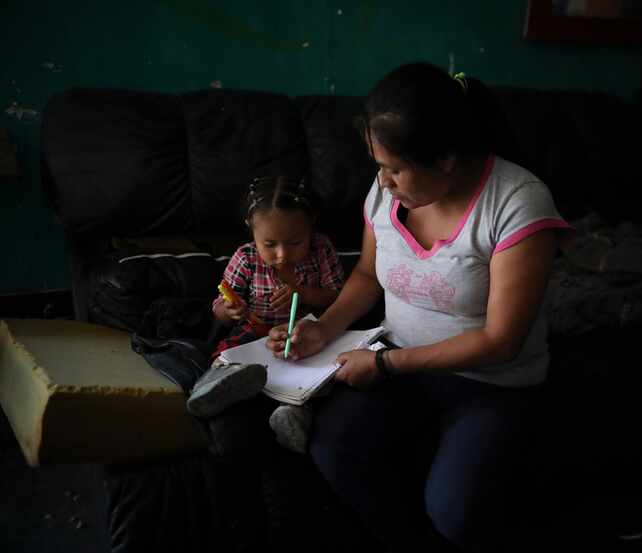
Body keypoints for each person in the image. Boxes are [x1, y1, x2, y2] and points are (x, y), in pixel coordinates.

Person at [265, 62, 571, 553]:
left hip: (491, 385)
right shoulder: (387, 193)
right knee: (334, 448)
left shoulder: (517, 203)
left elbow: (501, 341)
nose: (383, 181)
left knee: (457, 512)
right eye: (377, 165)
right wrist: (323, 328)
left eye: (394, 168)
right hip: (401, 368)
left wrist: (384, 364)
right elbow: (366, 275)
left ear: (446, 159)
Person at [186, 175, 345, 454]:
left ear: (311, 225)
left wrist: (304, 292)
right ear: (252, 231)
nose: (282, 254)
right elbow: (220, 309)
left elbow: (338, 296)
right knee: (228, 351)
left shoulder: (321, 250)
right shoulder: (246, 258)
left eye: (295, 242)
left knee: (325, 373)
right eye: (270, 244)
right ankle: (218, 383)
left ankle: (293, 414)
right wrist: (230, 309)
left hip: (305, 333)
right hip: (255, 332)